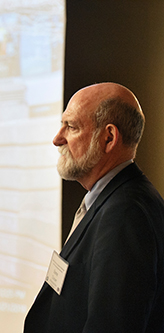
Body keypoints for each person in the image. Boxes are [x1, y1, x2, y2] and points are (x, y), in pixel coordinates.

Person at [24, 82, 164, 332]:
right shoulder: (112, 200)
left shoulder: (126, 214)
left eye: (72, 126)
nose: (57, 139)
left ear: (108, 138)